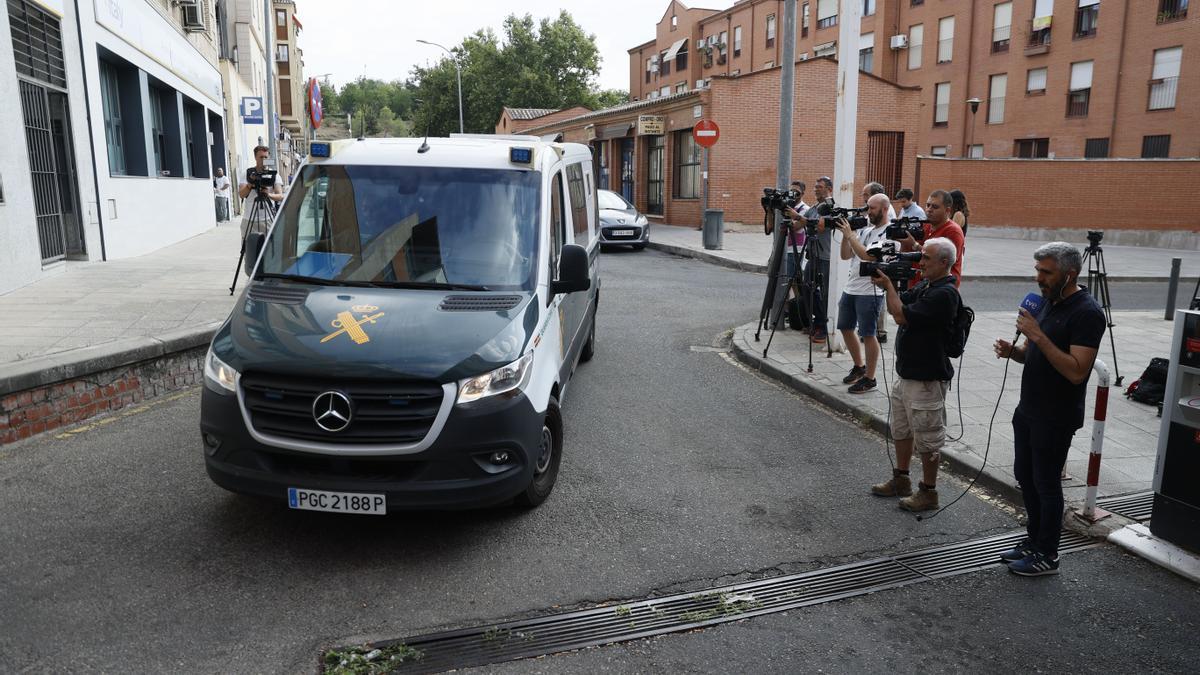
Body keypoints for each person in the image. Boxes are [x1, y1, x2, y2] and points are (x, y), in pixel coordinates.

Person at [993, 242, 1105, 576]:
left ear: (1069, 274)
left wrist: (1038, 337)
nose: (1039, 278)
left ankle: (1048, 554)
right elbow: (1034, 352)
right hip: (1028, 409)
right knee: (1025, 477)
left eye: (1046, 272)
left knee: (1046, 484)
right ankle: (1033, 540)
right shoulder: (1045, 302)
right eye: (1038, 270)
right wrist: (1014, 351)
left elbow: (1075, 370)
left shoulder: (1087, 313)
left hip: (1056, 416)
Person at [868, 237, 960, 512]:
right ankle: (902, 479)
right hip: (908, 373)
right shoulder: (927, 285)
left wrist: (888, 286)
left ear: (944, 263)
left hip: (926, 377)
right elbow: (902, 300)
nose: (921, 263)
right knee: (902, 429)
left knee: (928, 437)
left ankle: (928, 492)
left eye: (926, 259)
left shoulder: (945, 294)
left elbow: (900, 315)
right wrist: (891, 279)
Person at [834, 193, 896, 394]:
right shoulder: (866, 231)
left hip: (870, 291)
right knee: (844, 327)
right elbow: (845, 256)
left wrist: (851, 235)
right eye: (867, 207)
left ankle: (870, 378)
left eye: (872, 208)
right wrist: (846, 236)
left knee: (868, 334)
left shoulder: (890, 233)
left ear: (885, 209)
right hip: (851, 287)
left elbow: (868, 257)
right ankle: (859, 366)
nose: (868, 212)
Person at [895, 190, 964, 287]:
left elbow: (946, 261)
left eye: (935, 207)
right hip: (918, 286)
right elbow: (909, 254)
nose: (929, 209)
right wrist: (903, 241)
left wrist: (915, 245)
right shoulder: (926, 226)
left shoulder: (953, 231)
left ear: (947, 210)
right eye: (928, 205)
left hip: (940, 289)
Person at [861, 182, 896, 344]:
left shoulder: (886, 213)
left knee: (880, 292)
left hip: (882, 259)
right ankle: (876, 330)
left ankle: (880, 330)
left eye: (865, 195)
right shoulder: (875, 210)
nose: (863, 198)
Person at [238, 145, 285, 238]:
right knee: (249, 249)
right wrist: (250, 183)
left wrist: (268, 194)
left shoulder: (274, 175)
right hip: (249, 219)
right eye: (261, 157)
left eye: (266, 157)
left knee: (270, 249)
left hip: (267, 218)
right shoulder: (247, 174)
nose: (263, 160)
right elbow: (241, 194)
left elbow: (280, 196)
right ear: (255, 157)